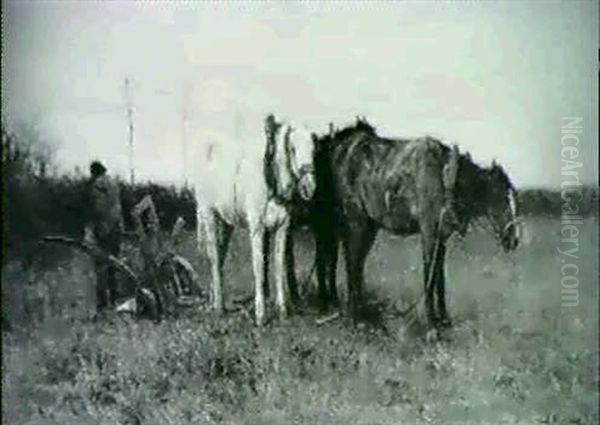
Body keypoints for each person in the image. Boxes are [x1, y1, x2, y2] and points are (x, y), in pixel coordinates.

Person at [84, 160, 124, 312]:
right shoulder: (113, 183)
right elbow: (118, 207)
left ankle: (102, 304)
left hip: (104, 230)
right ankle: (115, 299)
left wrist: (91, 229)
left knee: (100, 266)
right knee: (114, 264)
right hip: (116, 228)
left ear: (93, 172)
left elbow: (97, 208)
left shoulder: (97, 186)